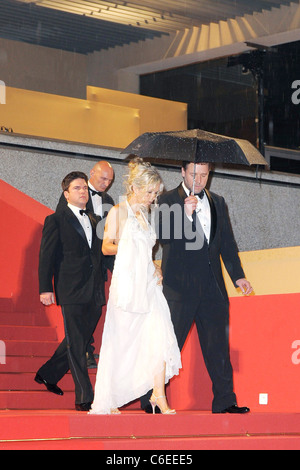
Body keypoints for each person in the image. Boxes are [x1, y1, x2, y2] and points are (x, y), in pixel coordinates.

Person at [140, 161, 253, 414]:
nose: (199, 180)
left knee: (218, 347)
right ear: (182, 172)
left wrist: (238, 277)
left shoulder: (218, 201)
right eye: (194, 174)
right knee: (170, 344)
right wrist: (185, 214)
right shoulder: (168, 199)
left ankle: (225, 401)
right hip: (179, 288)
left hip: (213, 288)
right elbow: (163, 237)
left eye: (204, 175)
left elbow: (227, 243)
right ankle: (152, 397)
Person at [89, 158, 181, 415]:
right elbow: (107, 245)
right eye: (150, 192)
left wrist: (154, 266)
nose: (153, 198)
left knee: (161, 335)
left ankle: (158, 395)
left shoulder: (144, 214)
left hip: (148, 284)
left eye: (155, 193)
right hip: (128, 285)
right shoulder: (119, 211)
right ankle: (110, 396)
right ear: (135, 188)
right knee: (122, 342)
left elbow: (144, 250)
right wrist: (133, 252)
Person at [35, 171, 107, 411]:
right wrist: (45, 288)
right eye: (77, 188)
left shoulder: (96, 219)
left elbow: (101, 255)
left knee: (79, 338)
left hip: (95, 288)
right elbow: (46, 256)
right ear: (66, 193)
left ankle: (48, 373)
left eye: (85, 188)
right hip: (71, 288)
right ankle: (85, 396)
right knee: (77, 343)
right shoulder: (55, 220)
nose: (83, 192)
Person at [56, 160, 115, 368]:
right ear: (92, 173)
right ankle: (85, 351)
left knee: (95, 310)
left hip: (98, 265)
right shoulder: (74, 194)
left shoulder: (108, 199)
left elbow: (110, 235)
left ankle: (59, 363)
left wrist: (114, 267)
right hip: (76, 268)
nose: (106, 183)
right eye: (103, 178)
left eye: (109, 180)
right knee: (80, 316)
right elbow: (61, 225)